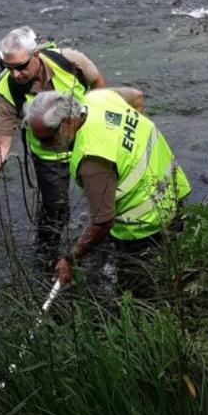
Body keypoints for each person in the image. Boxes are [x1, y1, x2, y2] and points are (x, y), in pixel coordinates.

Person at [23, 86, 190, 287]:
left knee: (136, 292)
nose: (43, 147)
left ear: (67, 124)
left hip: (144, 225)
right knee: (175, 267)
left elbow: (103, 222)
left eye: (46, 139)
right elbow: (137, 96)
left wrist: (70, 259)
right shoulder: (98, 98)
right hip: (174, 189)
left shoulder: (91, 159)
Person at [0, 26, 106, 248]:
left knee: (103, 197)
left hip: (88, 143)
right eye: (9, 68)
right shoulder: (8, 92)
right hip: (49, 157)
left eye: (21, 67)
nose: (15, 74)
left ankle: (103, 244)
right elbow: (1, 144)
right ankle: (46, 254)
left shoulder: (69, 61)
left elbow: (99, 87)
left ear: (36, 55)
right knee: (56, 212)